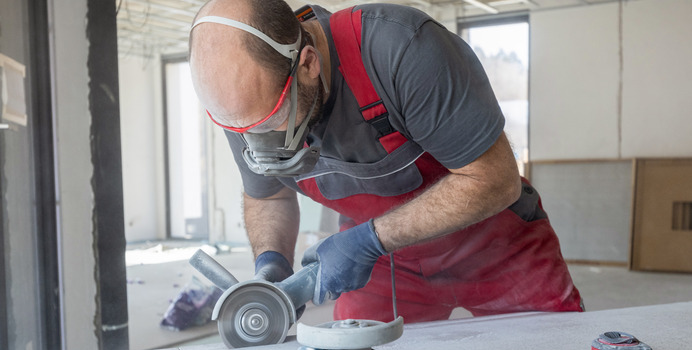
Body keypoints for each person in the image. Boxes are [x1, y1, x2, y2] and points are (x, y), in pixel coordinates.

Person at [188, 0, 583, 323]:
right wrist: (271, 264)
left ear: (308, 63)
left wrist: (368, 241)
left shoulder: (401, 48)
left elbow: (493, 179)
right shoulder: (243, 105)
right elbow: (268, 196)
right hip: (382, 265)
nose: (257, 139)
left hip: (496, 248)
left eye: (270, 119)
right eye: (242, 128)